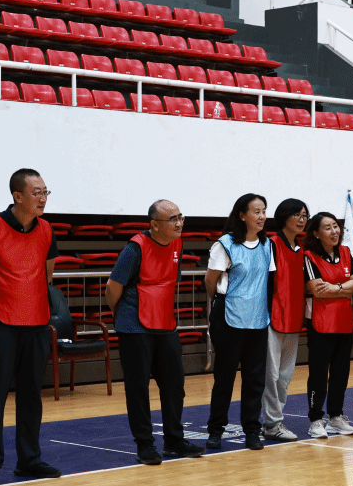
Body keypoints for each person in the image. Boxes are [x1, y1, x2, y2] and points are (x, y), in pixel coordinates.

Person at [0, 167, 62, 486]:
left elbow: (47, 275)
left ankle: (29, 459)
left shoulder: (46, 230)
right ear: (18, 196)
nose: (43, 198)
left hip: (37, 324)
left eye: (45, 192)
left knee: (32, 396)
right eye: (37, 193)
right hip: (2, 325)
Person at [106, 199, 204, 464]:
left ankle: (174, 441)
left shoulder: (177, 244)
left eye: (181, 217)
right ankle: (145, 444)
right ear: (154, 225)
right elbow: (112, 288)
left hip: (165, 323)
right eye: (173, 219)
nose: (179, 223)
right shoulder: (135, 248)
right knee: (138, 387)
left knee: (174, 385)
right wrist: (124, 316)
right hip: (134, 325)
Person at [205, 192, 273, 451]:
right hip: (228, 318)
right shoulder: (225, 244)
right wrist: (222, 305)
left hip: (257, 319)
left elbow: (268, 281)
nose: (262, 216)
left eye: (264, 211)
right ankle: (216, 430)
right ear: (242, 215)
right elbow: (210, 282)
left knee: (255, 378)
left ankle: (252, 431)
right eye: (256, 211)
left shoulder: (267, 245)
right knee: (224, 377)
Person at [301, 211, 353, 438]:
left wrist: (335, 288)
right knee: (318, 372)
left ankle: (336, 416)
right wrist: (344, 289)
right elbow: (318, 290)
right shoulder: (309, 256)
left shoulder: (345, 252)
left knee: (340, 372)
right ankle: (316, 420)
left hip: (345, 320)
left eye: (336, 226)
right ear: (316, 233)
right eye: (328, 228)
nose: (334, 231)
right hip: (320, 322)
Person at [260, 198, 310, 442]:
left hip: (293, 318)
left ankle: (274, 420)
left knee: (285, 375)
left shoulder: (302, 247)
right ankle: (272, 423)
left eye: (304, 215)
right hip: (272, 318)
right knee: (271, 375)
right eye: (297, 215)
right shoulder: (271, 244)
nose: (302, 220)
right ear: (284, 217)